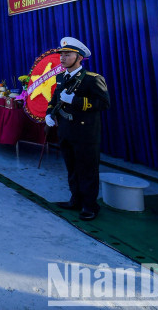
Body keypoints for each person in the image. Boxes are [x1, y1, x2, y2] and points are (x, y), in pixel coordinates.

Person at [45, 37, 111, 222]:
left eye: (68, 54)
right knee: (72, 168)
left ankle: (90, 206)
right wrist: (49, 114)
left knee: (87, 170)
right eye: (62, 55)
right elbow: (55, 99)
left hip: (85, 133)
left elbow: (103, 103)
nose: (63, 58)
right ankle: (75, 200)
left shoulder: (92, 79)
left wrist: (75, 100)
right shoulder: (61, 77)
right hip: (66, 130)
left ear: (80, 57)